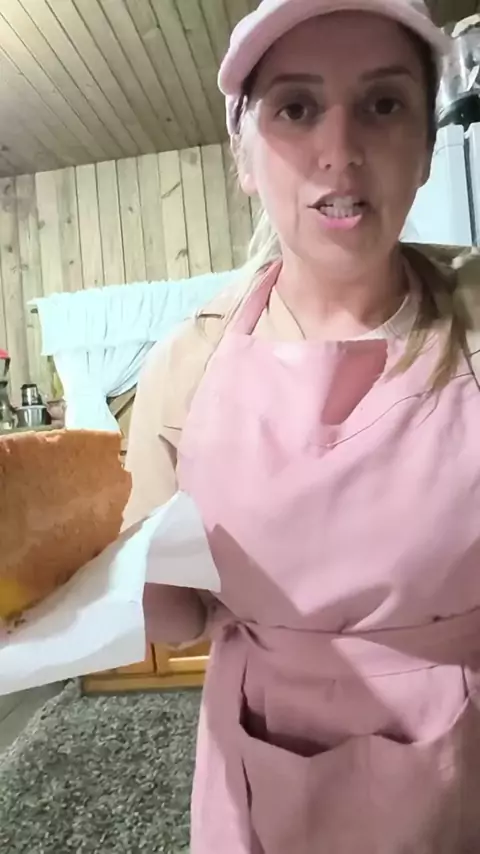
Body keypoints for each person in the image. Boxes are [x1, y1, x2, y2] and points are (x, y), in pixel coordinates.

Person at [122, 1, 480, 850]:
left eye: (383, 104)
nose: (341, 148)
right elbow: (169, 610)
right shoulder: (185, 366)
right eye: (295, 107)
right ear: (243, 156)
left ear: (427, 149)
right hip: (261, 764)